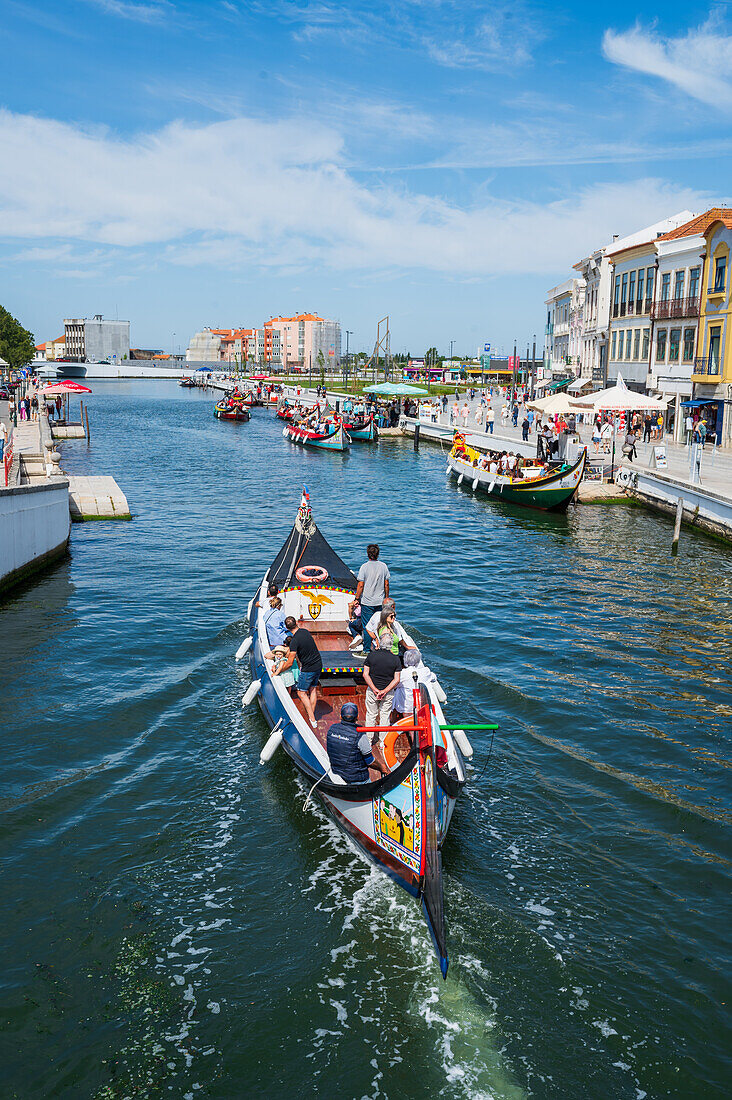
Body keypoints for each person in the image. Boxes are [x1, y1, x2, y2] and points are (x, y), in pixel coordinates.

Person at [275, 616, 323, 728]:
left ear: (287, 628)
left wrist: (279, 670)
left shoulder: (294, 641)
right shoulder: (305, 632)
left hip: (308, 668)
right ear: (296, 623)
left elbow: (290, 662)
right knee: (313, 689)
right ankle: (311, 712)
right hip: (318, 664)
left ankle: (312, 718)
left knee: (301, 692)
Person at [326, 702, 388, 784]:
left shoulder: (332, 729)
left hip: (337, 773)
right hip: (357, 779)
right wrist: (381, 767)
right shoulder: (360, 735)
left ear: (341, 716)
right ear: (357, 717)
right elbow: (370, 761)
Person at [354, 545, 389, 654]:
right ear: (378, 554)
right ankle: (383, 647)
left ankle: (366, 650)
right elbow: (386, 584)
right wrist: (386, 597)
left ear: (368, 554)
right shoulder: (383, 566)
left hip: (367, 602)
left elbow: (360, 585)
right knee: (380, 625)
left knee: (367, 626)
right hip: (379, 602)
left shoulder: (364, 567)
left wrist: (356, 598)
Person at [363, 636, 402, 727]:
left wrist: (374, 689)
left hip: (372, 691)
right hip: (387, 693)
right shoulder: (396, 659)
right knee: (385, 715)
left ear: (379, 643)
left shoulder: (371, 655)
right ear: (391, 645)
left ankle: (368, 739)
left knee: (371, 715)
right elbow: (397, 679)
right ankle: (383, 740)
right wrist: (384, 691)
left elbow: (365, 674)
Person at [393, 648, 436, 716]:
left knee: (397, 690)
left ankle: (393, 718)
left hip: (405, 708)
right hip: (421, 706)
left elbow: (394, 685)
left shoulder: (402, 673)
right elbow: (434, 677)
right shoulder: (425, 671)